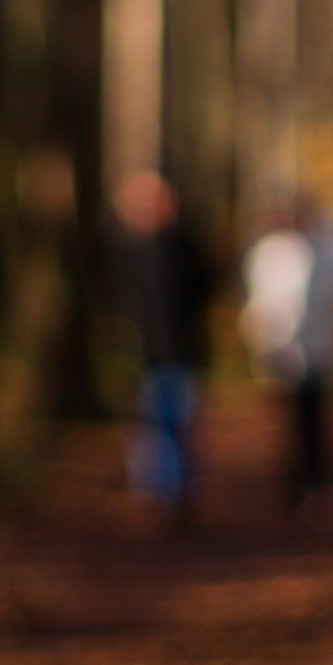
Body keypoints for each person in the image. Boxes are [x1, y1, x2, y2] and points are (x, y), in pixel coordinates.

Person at [241, 194, 333, 519]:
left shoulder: (329, 252)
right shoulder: (270, 254)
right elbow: (262, 306)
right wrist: (265, 344)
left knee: (318, 423)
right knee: (289, 425)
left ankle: (321, 485)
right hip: (283, 355)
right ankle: (294, 488)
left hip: (321, 353)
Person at [112, 169, 209, 523]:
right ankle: (153, 492)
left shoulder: (185, 247)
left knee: (179, 424)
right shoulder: (123, 249)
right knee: (148, 427)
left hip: (181, 352)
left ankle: (178, 494)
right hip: (141, 355)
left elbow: (203, 291)